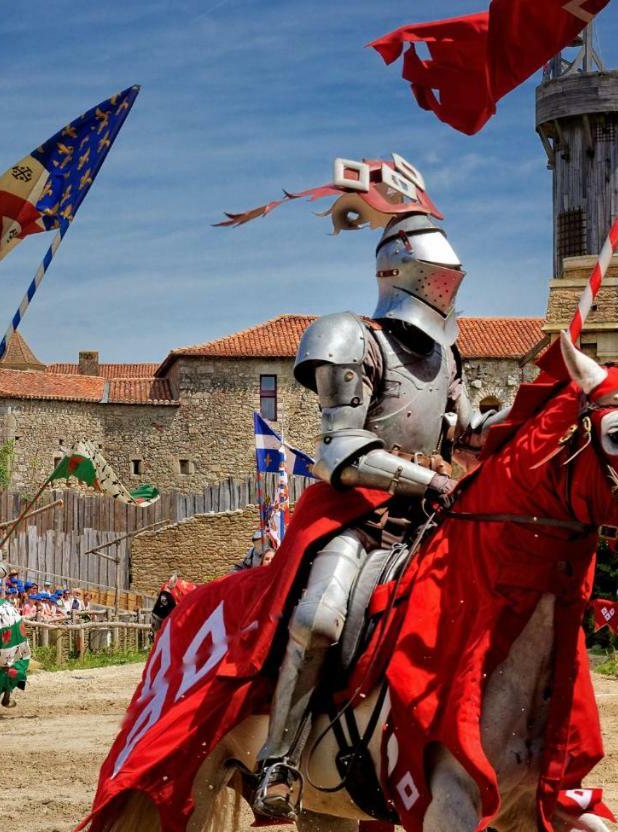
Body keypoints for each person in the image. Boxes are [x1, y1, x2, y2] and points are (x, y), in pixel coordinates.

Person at [253, 211, 486, 818]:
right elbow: (340, 451)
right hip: (359, 515)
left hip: (431, 520)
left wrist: (539, 412)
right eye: (438, 273)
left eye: (451, 275)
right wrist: (434, 478)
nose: (448, 283)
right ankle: (277, 759)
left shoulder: (449, 357)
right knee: (321, 617)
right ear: (400, 270)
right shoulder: (351, 337)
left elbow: (469, 434)